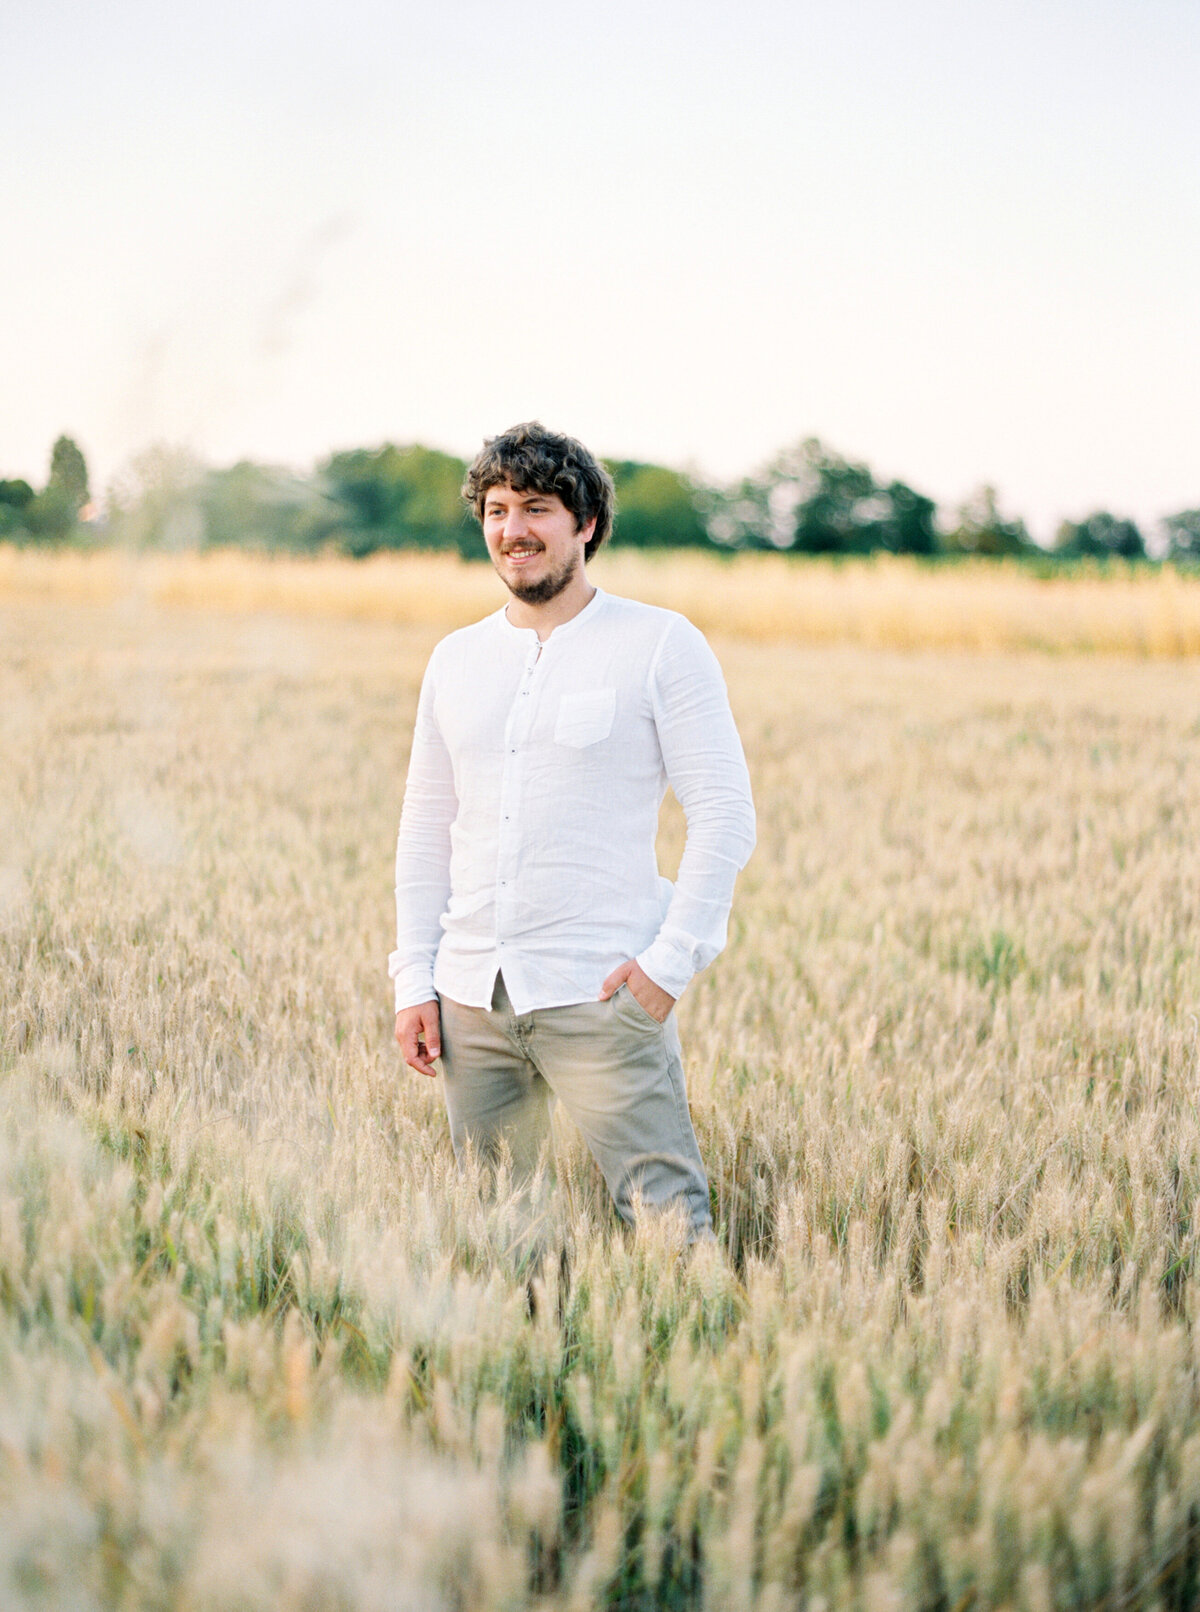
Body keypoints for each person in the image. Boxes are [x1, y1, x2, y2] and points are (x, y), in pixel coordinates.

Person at [389, 421, 755, 1242]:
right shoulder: (456, 658)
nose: (513, 529)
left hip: (601, 995)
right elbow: (425, 831)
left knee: (665, 1223)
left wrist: (670, 964)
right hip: (471, 998)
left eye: (537, 508)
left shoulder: (659, 643)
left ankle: (688, 1363)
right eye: (496, 509)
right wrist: (416, 978)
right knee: (499, 1231)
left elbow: (726, 812)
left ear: (585, 523)